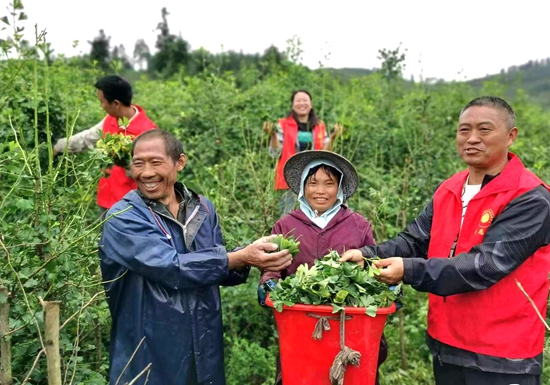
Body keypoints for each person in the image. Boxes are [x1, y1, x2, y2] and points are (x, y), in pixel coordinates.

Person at [341, 96, 550, 385]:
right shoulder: (449, 189)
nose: (472, 138)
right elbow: (413, 241)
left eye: (484, 130)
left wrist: (409, 270)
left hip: (501, 358)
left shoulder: (530, 197)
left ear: (511, 136)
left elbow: (485, 265)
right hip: (447, 346)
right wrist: (366, 255)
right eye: (464, 130)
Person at [98, 129, 293, 385]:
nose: (146, 173)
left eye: (156, 162)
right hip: (148, 348)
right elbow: (170, 267)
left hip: (203, 342)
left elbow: (212, 265)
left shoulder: (201, 208)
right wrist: (239, 257)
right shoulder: (122, 217)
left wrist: (253, 257)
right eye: (138, 164)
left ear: (180, 162)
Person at [258, 150, 388, 385]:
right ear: (302, 187)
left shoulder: (358, 225)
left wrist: (387, 288)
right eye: (312, 183)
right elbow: (272, 266)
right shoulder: (286, 225)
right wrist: (268, 281)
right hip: (300, 324)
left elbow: (373, 267)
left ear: (339, 188)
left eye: (329, 184)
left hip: (350, 323)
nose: (320, 191)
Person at [53, 75, 156, 215]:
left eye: (102, 102)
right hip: (106, 201)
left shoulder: (148, 132)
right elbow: (87, 138)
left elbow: (152, 174)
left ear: (116, 103)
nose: (101, 106)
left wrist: (125, 162)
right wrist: (58, 146)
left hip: (131, 207)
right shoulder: (110, 120)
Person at [264, 90, 344, 215]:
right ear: (293, 105)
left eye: (305, 100)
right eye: (298, 100)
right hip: (289, 180)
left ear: (311, 104)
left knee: (315, 217)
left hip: (314, 180)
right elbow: (275, 152)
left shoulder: (319, 126)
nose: (302, 103)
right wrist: (273, 134)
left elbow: (326, 153)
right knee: (289, 217)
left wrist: (333, 137)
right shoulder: (283, 124)